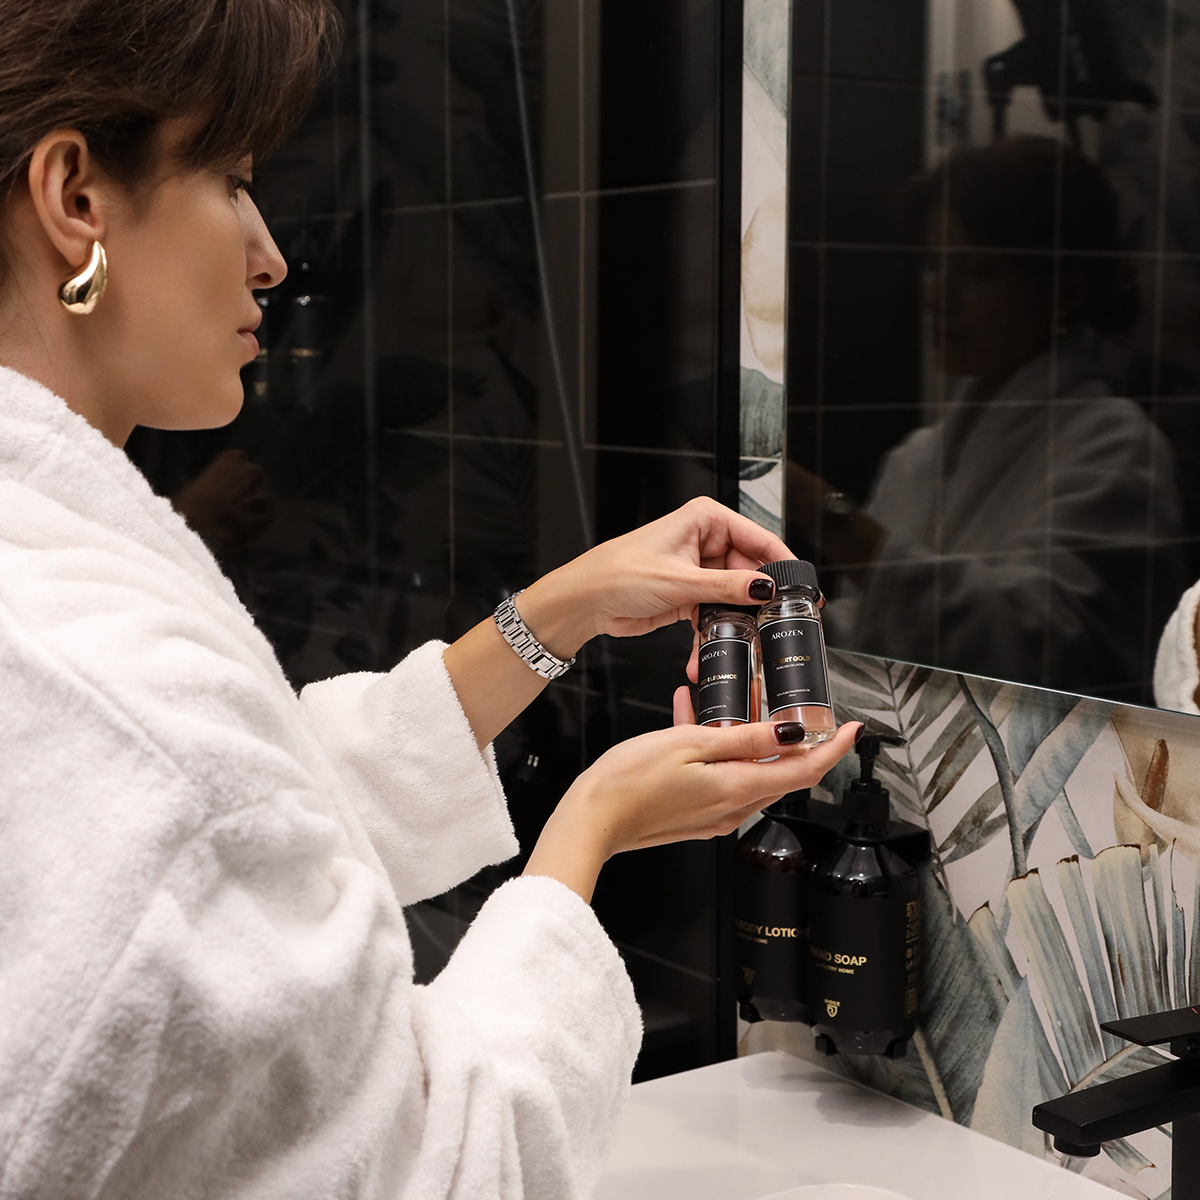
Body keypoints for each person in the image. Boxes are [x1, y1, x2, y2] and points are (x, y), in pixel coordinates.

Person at [0, 0, 859, 1196]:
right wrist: (593, 827)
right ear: (76, 197)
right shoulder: (105, 674)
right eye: (234, 180)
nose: (272, 254)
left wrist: (559, 608)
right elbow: (440, 1166)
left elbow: (255, 830)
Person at [790, 136, 1186, 696]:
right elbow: (877, 627)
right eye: (934, 267)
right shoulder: (916, 458)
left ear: (1065, 289)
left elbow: (1036, 648)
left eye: (980, 273)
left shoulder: (1117, 447)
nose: (939, 300)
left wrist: (822, 511)